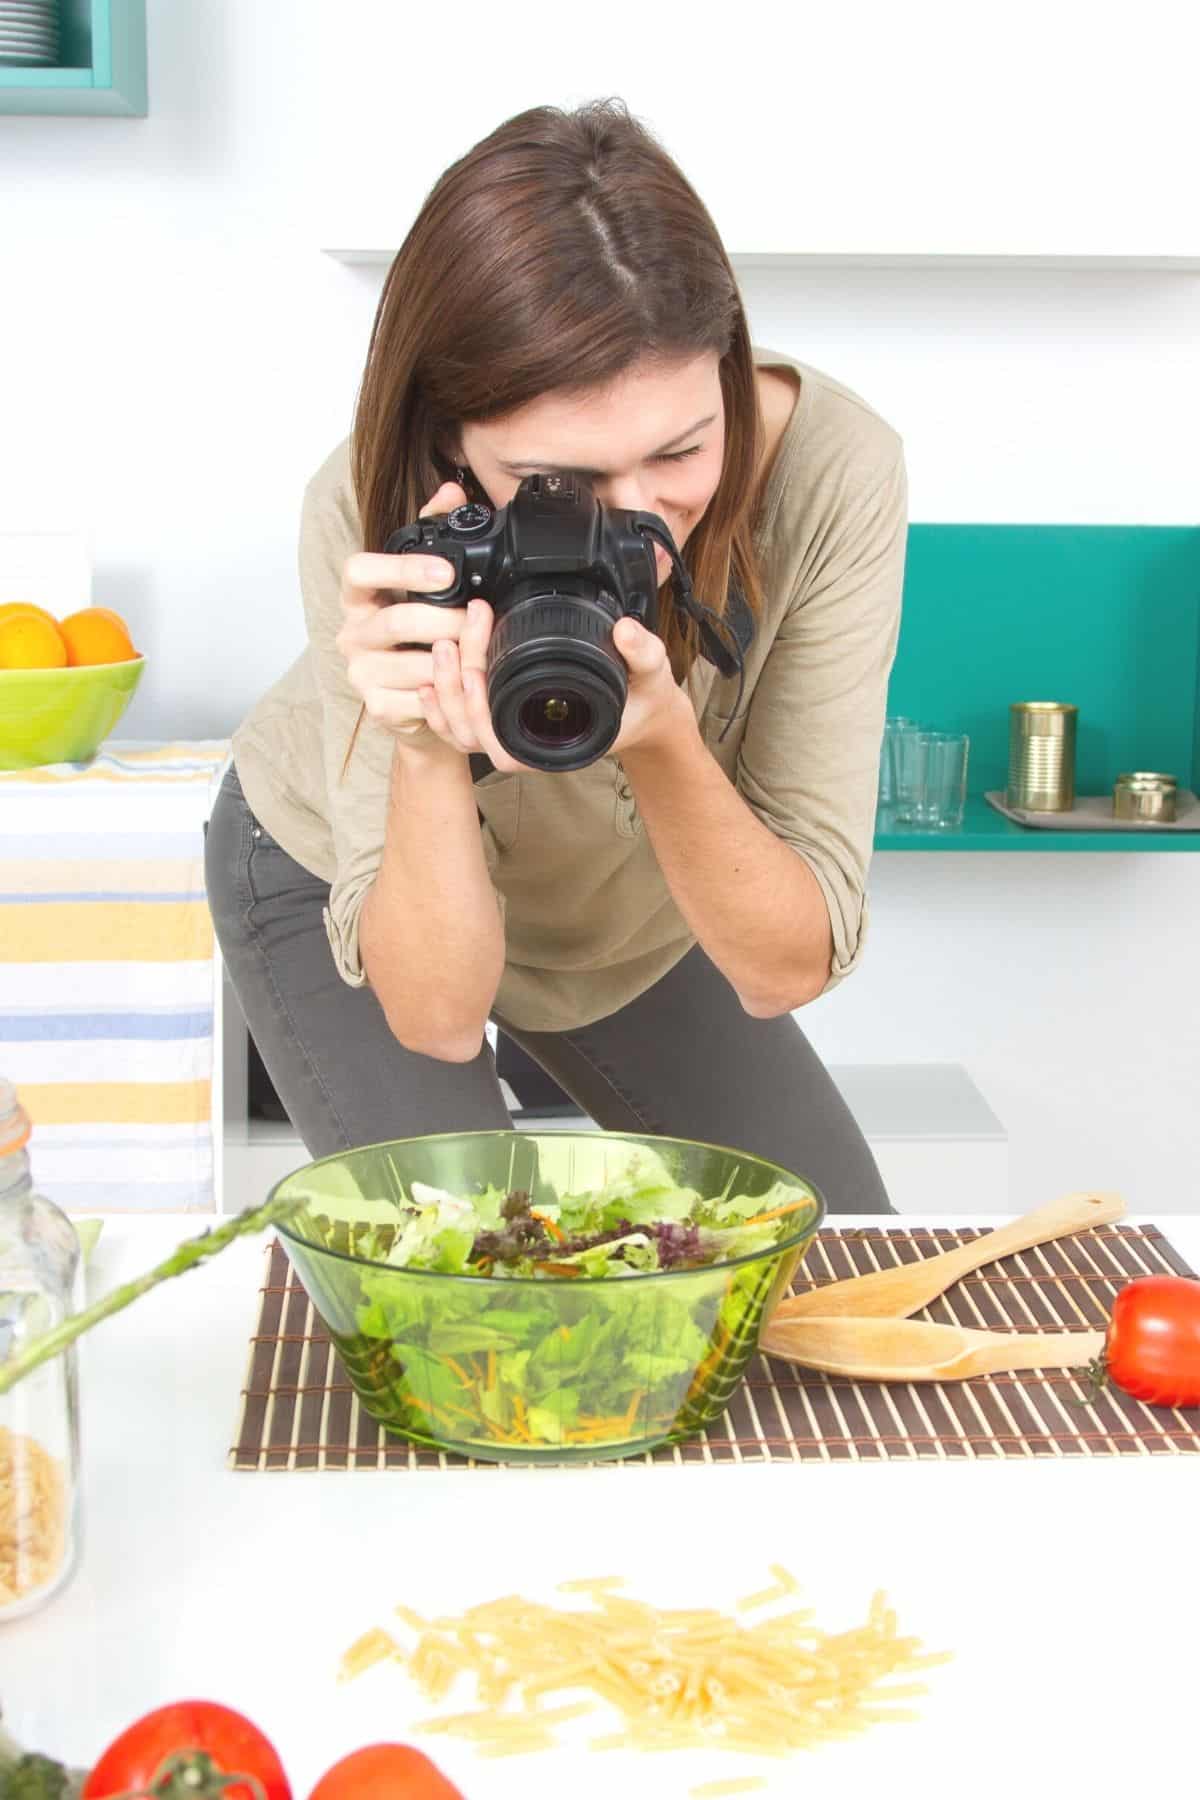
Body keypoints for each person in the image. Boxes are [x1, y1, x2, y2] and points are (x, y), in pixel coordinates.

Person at [204, 99, 907, 1214]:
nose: (645, 520)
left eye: (681, 449)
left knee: (829, 1257)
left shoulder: (832, 471)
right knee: (465, 1300)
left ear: (727, 371)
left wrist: (663, 727)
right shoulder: (366, 506)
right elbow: (435, 1014)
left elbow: (783, 968)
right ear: (451, 446)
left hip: (630, 898)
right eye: (562, 485)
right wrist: (428, 751)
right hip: (354, 880)